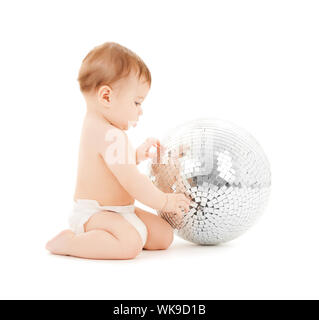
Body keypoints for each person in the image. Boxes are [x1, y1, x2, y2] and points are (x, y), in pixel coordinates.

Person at [45, 42, 190, 260]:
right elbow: (132, 181)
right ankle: (71, 243)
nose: (140, 111)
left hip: (122, 210)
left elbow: (114, 166)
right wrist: (165, 201)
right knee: (129, 245)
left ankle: (110, 237)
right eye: (137, 102)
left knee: (164, 235)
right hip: (95, 213)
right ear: (106, 97)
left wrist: (137, 155)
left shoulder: (103, 129)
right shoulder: (107, 134)